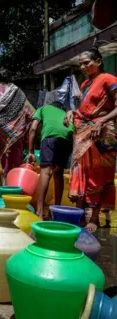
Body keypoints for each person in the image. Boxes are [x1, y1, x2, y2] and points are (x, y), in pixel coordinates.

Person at [64, 48, 117, 232]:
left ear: (99, 61)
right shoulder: (85, 83)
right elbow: (83, 109)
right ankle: (79, 215)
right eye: (80, 63)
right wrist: (72, 112)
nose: (83, 66)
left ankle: (94, 217)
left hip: (101, 133)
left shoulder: (108, 79)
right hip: (84, 131)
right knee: (82, 171)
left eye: (87, 62)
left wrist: (102, 121)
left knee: (98, 174)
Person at [0, 68, 35, 176]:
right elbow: (31, 113)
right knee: (13, 163)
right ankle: (12, 187)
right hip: (14, 135)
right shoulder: (17, 92)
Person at [28, 101, 74, 219]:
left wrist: (31, 152)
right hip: (67, 140)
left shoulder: (43, 108)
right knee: (58, 172)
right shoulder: (66, 113)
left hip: (50, 138)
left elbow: (33, 129)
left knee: (45, 172)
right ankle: (56, 211)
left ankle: (39, 212)